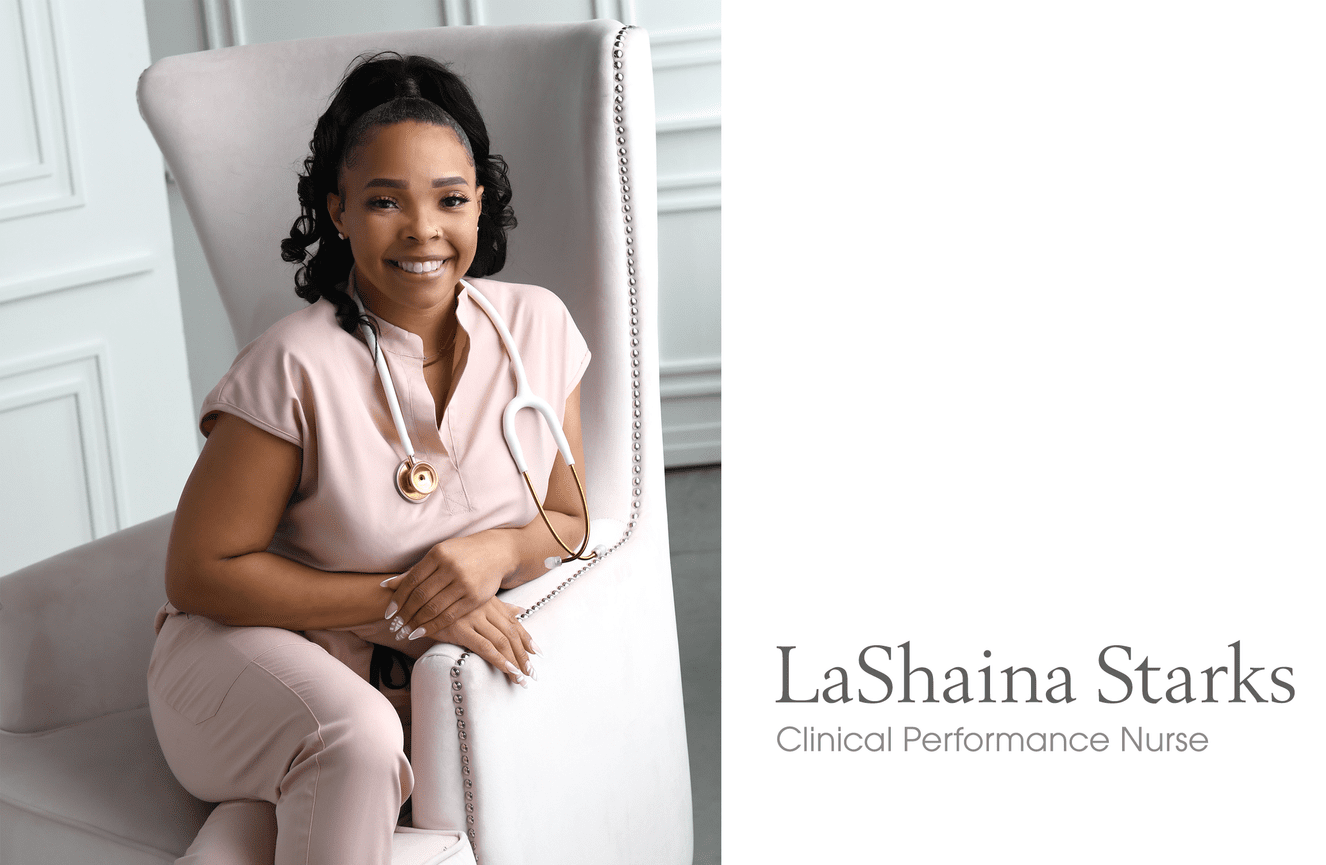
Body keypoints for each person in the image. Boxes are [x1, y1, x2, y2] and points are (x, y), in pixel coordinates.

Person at [147, 52, 592, 865]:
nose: (423, 230)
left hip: (379, 682)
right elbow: (199, 574)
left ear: (480, 203)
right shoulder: (293, 364)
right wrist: (409, 605)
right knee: (354, 736)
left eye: (450, 199)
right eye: (386, 201)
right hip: (240, 654)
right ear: (339, 212)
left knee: (257, 832)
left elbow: (568, 517)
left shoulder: (538, 329)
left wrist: (496, 550)